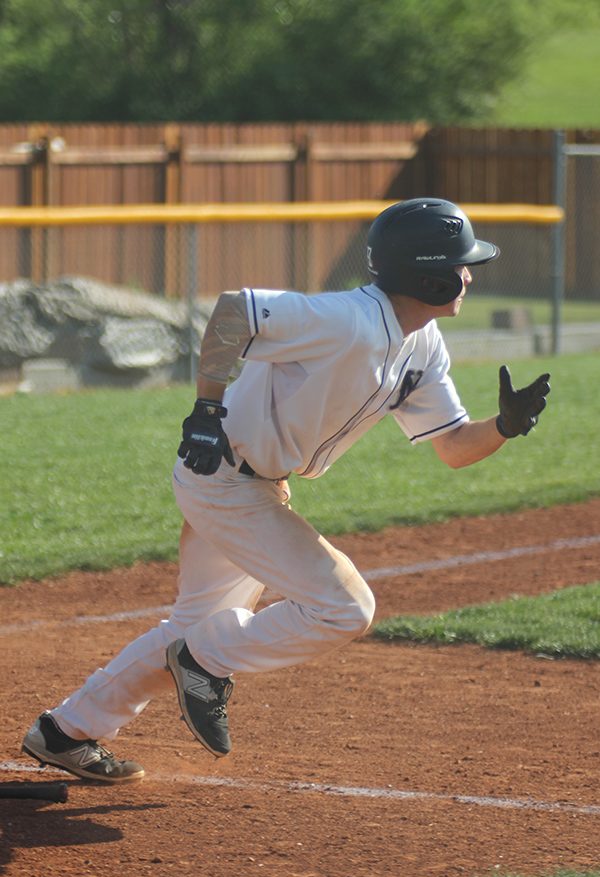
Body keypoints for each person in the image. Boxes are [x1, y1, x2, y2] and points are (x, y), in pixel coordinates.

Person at [22, 198, 550, 782]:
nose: (469, 275)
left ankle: (66, 732)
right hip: (225, 480)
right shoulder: (346, 319)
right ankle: (204, 660)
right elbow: (233, 313)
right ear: (427, 275)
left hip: (249, 485)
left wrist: (504, 427)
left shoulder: (421, 344)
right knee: (345, 608)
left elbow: (453, 446)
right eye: (460, 264)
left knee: (194, 625)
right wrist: (205, 405)